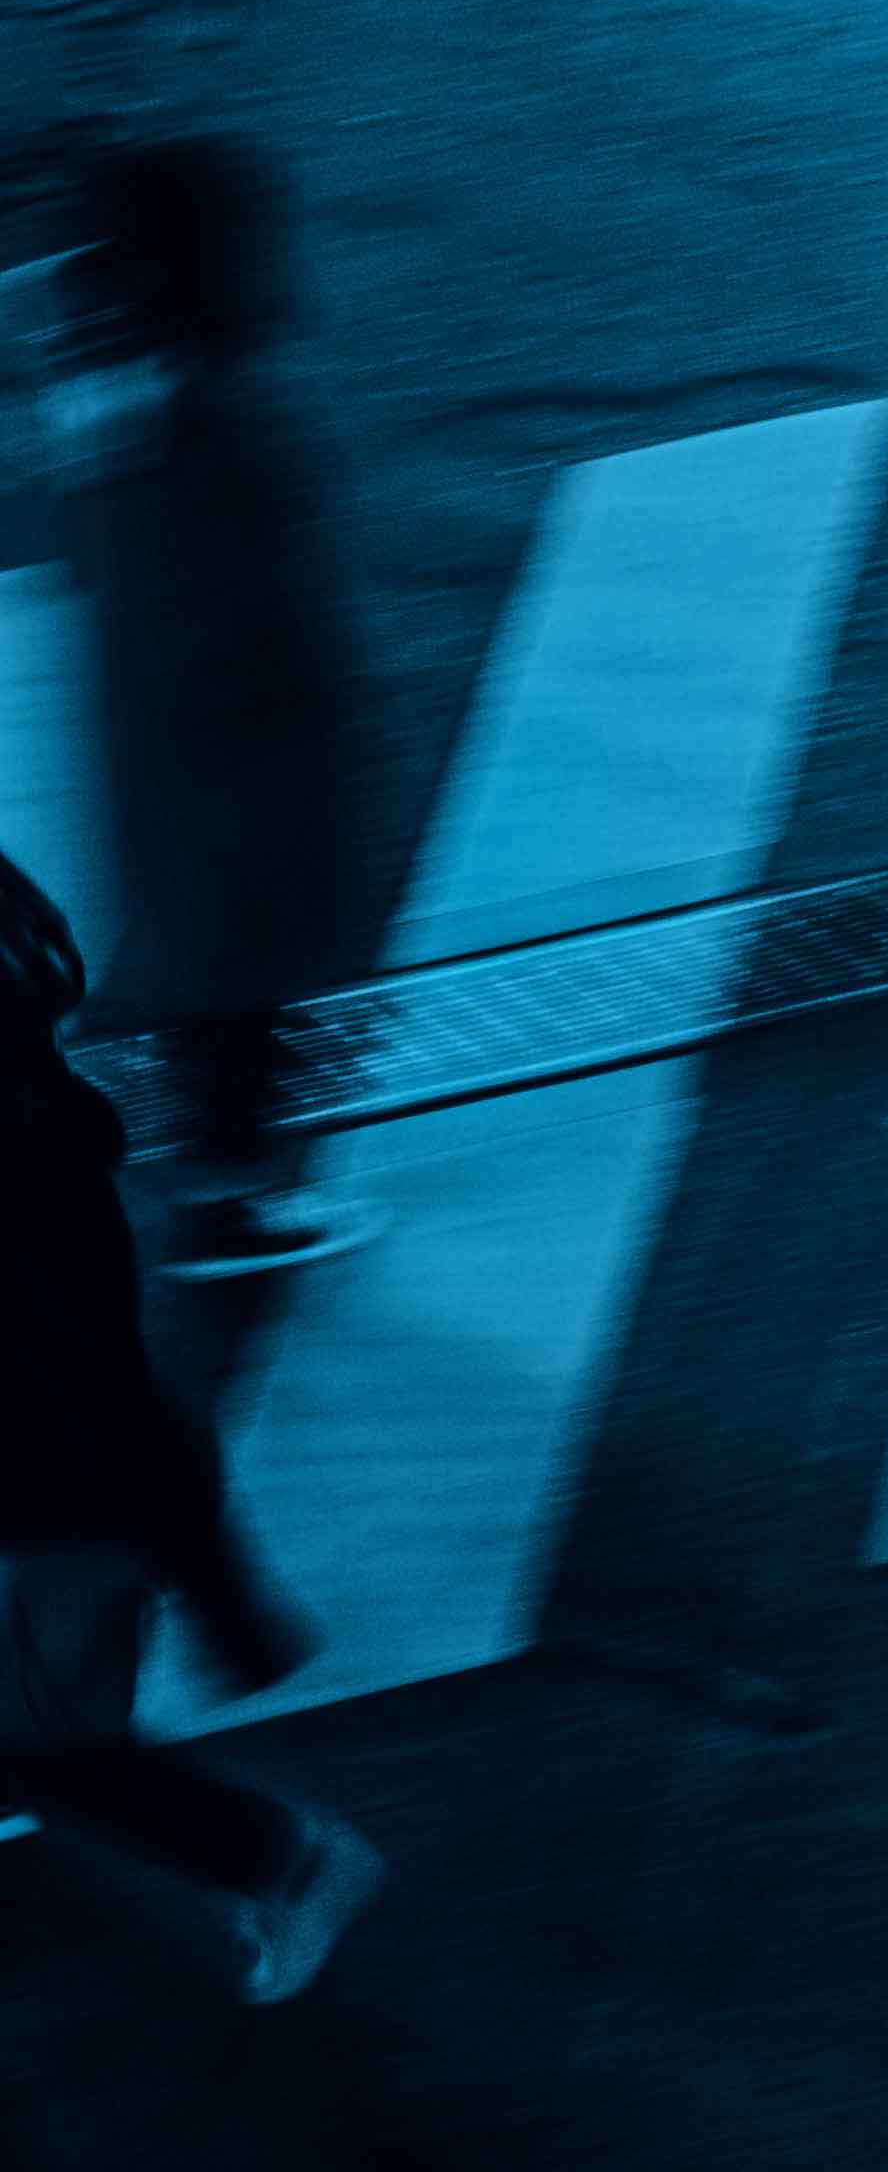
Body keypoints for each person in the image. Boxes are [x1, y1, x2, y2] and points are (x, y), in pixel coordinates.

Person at [0, 848, 385, 2004]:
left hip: (53, 1507)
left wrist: (189, 1563)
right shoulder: (42, 1126)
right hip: (67, 1493)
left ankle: (282, 1859)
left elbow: (87, 1389)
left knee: (45, 1746)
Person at [43, 137, 384, 1280]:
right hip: (248, 741)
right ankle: (229, 1200)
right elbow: (270, 592)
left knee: (207, 964)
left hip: (162, 736)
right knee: (241, 969)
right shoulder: (226, 401)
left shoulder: (108, 377)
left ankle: (214, 1170)